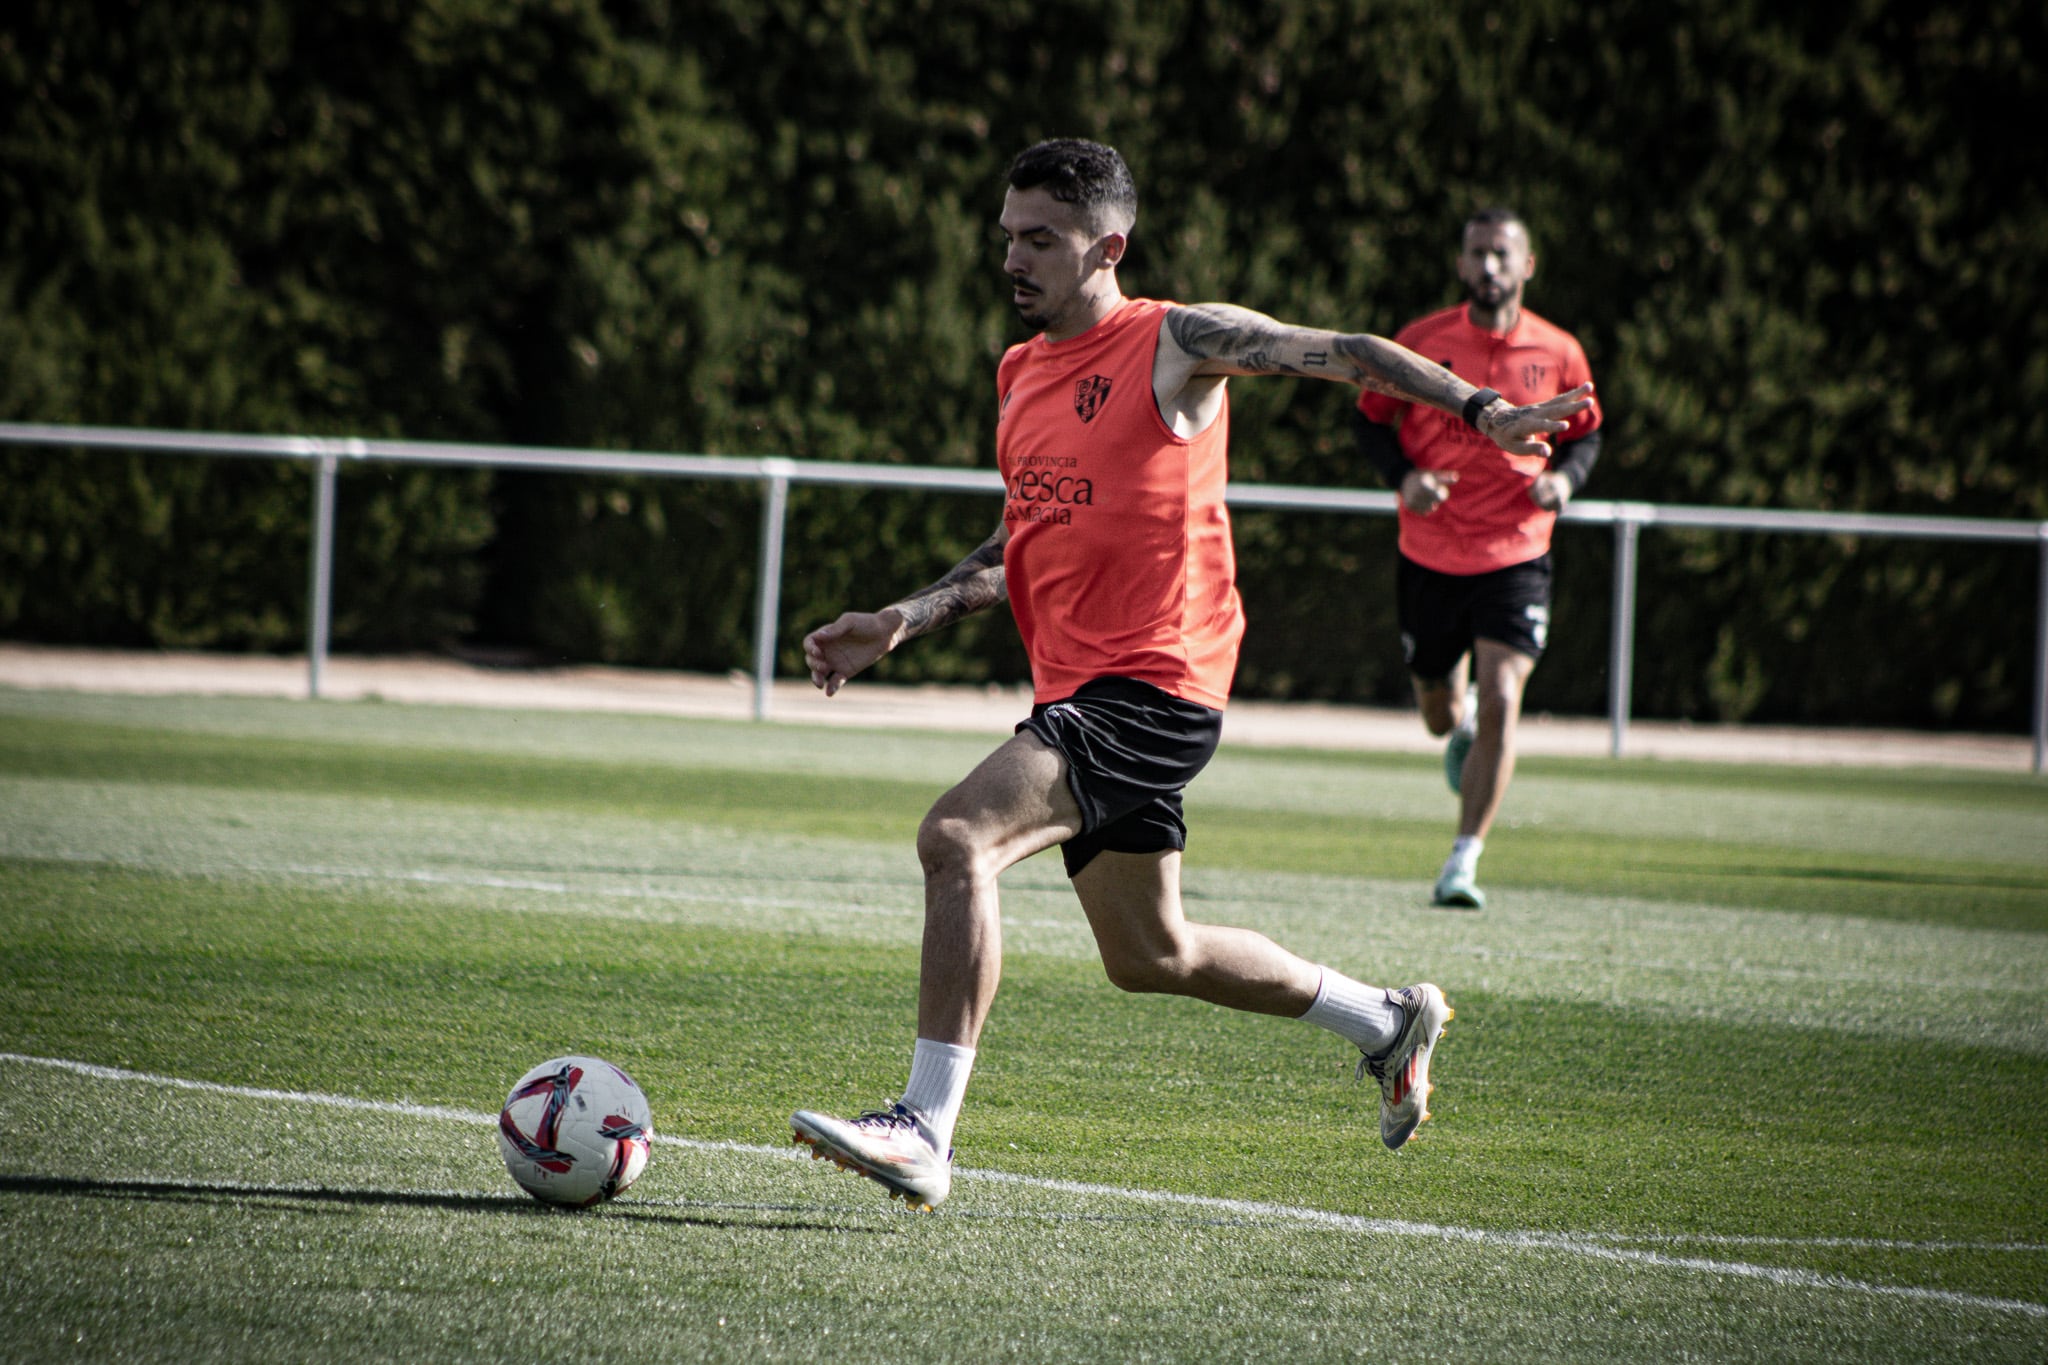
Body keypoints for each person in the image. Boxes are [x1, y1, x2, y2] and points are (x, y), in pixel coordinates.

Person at [790, 140, 1592, 1211]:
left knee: (956, 836)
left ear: (1106, 247)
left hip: (1156, 685)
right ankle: (1386, 1020)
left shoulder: (1174, 343)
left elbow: (1345, 350)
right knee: (1150, 953)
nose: (1013, 259)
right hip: (1078, 691)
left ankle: (922, 1128)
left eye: (1040, 239)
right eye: (1007, 237)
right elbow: (1020, 535)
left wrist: (1475, 409)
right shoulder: (1019, 372)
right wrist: (902, 619)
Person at [1354, 209, 1604, 911]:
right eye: (1477, 254)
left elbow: (1588, 437)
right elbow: (1370, 421)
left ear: (1527, 266)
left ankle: (1463, 859)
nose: (1488, 266)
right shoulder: (1422, 342)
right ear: (1462, 266)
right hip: (1429, 552)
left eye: (1501, 254)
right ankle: (1456, 728)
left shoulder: (1559, 350)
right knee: (1441, 712)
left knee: (1502, 695)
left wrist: (1565, 481)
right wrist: (1406, 478)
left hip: (1517, 552)